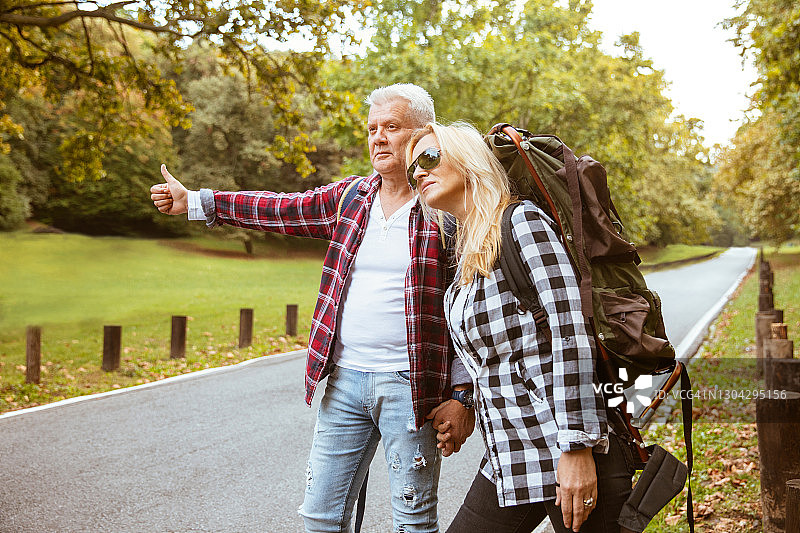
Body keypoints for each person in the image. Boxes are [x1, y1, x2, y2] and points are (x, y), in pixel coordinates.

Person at [149, 84, 476, 533]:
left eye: (392, 127)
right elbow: (280, 209)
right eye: (372, 129)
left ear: (424, 133)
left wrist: (462, 395)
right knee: (321, 517)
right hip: (345, 382)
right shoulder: (351, 198)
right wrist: (197, 201)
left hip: (413, 388)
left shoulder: (446, 209)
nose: (379, 138)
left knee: (413, 522)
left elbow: (468, 309)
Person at [406, 122, 636, 533]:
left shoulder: (521, 223)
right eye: (413, 169)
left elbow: (570, 334)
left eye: (429, 157)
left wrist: (577, 448)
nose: (419, 172)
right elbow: (493, 358)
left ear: (467, 158)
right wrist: (464, 400)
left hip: (565, 450)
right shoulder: (468, 250)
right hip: (512, 457)